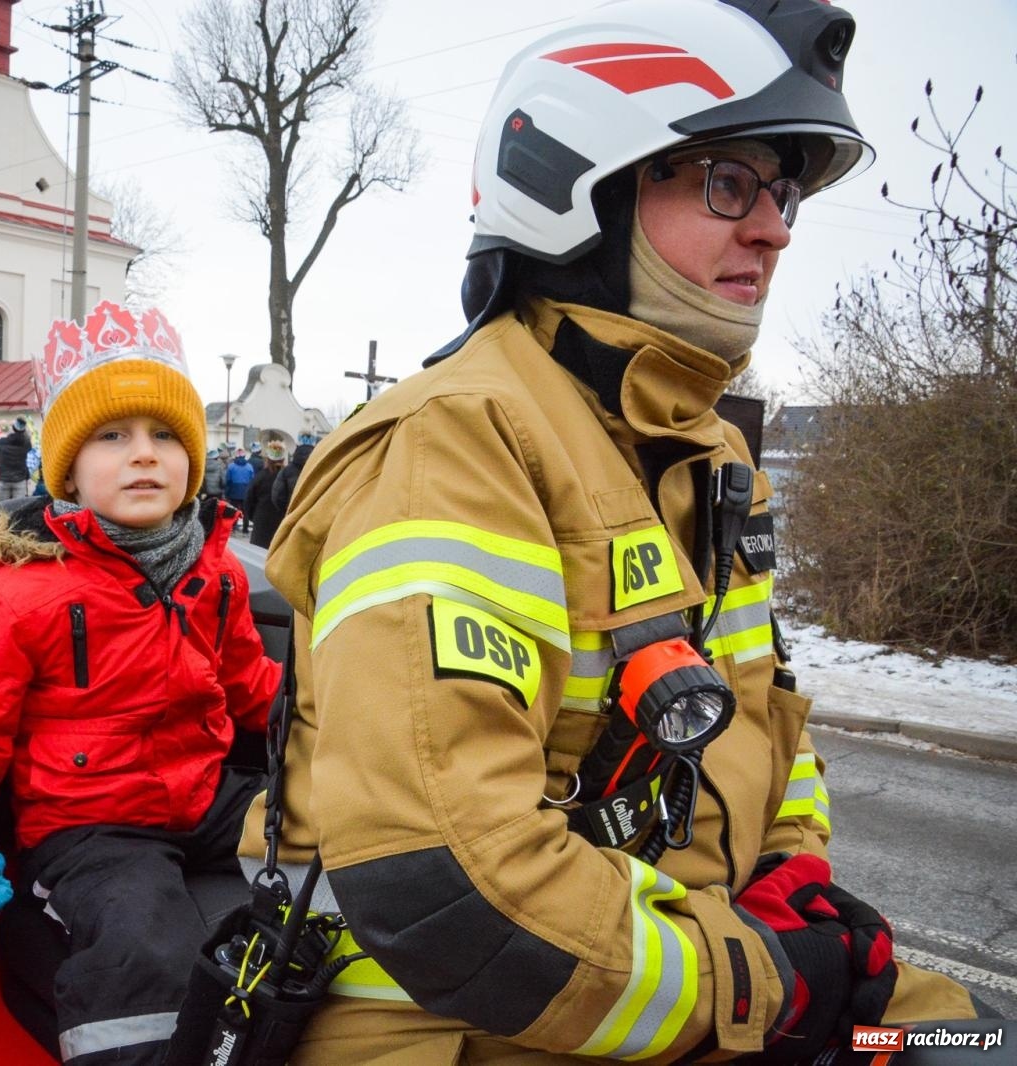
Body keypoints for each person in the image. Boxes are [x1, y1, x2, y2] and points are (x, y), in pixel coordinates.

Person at [242, 1, 980, 1062]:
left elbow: (760, 724)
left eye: (782, 194)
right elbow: (446, 890)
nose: (772, 226)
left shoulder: (713, 459)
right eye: (728, 180)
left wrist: (791, 880)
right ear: (581, 190)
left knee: (961, 1043)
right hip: (445, 1012)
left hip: (664, 969)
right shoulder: (453, 445)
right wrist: (765, 985)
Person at [0, 300, 281, 1066]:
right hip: (91, 824)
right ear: (66, 465)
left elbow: (251, 685)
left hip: (203, 793)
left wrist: (340, 716)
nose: (144, 455)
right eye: (112, 435)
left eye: (165, 435)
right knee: (144, 947)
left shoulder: (215, 571)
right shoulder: (19, 590)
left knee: (341, 835)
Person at [245, 440, 288, 550]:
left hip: (261, 523)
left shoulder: (260, 477)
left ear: (267, 459)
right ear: (283, 459)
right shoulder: (288, 477)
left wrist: (254, 517)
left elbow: (248, 501)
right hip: (282, 524)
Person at [0, 415, 33, 500]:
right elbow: (29, 440)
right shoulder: (26, 443)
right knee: (18, 508)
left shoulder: (2, 442)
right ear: (23, 430)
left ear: (12, 428)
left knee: (3, 508)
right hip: (20, 479)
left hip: (4, 479)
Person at [269, 434, 313, 515]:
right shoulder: (321, 468)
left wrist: (286, 510)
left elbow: (277, 496)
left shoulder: (286, 471)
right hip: (313, 516)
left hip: (292, 514)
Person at [224, 448, 255, 532]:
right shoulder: (249, 467)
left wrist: (227, 492)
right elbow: (252, 480)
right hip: (246, 491)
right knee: (245, 511)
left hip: (234, 491)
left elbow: (228, 480)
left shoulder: (231, 466)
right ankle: (245, 528)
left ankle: (233, 526)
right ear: (244, 456)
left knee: (234, 510)